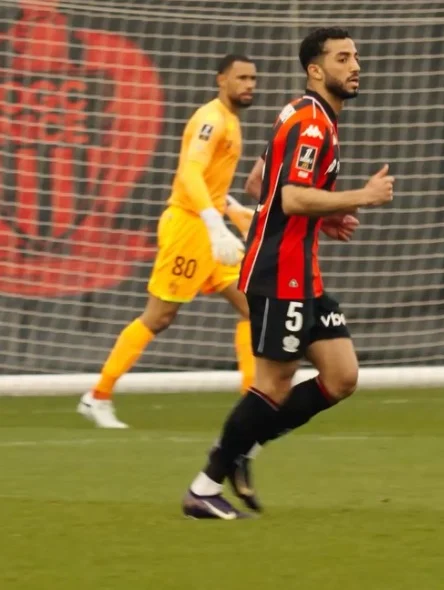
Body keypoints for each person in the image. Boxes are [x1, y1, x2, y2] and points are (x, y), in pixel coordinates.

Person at [182, 27, 394, 520]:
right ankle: (204, 487)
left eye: (355, 56)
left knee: (341, 376)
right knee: (274, 384)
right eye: (342, 58)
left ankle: (244, 450)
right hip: (281, 271)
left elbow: (260, 182)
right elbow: (292, 197)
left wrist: (327, 214)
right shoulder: (313, 125)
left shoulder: (300, 112)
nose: (355, 66)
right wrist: (360, 198)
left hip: (302, 268)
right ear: (315, 70)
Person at [77, 54, 258, 428]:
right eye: (241, 78)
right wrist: (213, 223)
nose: (248, 85)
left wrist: (233, 210)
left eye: (252, 79)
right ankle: (98, 396)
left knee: (254, 307)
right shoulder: (210, 120)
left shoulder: (230, 120)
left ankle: (253, 404)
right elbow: (190, 173)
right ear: (221, 80)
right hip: (189, 229)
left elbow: (209, 183)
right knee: (159, 316)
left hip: (210, 229)